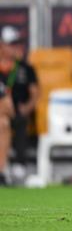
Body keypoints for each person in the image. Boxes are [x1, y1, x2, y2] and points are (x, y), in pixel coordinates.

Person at [0, 26, 38, 186]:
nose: (15, 47)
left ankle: (16, 165)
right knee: (3, 120)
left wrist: (27, 107)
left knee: (16, 120)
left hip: (18, 113)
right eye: (11, 44)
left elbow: (35, 93)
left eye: (17, 43)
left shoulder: (25, 67)